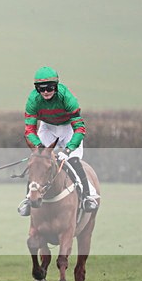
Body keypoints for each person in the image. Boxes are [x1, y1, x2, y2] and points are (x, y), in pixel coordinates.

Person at [18, 66, 99, 216]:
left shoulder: (67, 97)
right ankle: (28, 200)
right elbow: (29, 130)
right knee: (38, 161)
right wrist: (39, 146)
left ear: (56, 86)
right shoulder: (32, 100)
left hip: (69, 128)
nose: (46, 92)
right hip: (47, 128)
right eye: (41, 89)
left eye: (49, 87)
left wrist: (67, 150)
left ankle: (87, 196)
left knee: (73, 160)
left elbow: (80, 129)